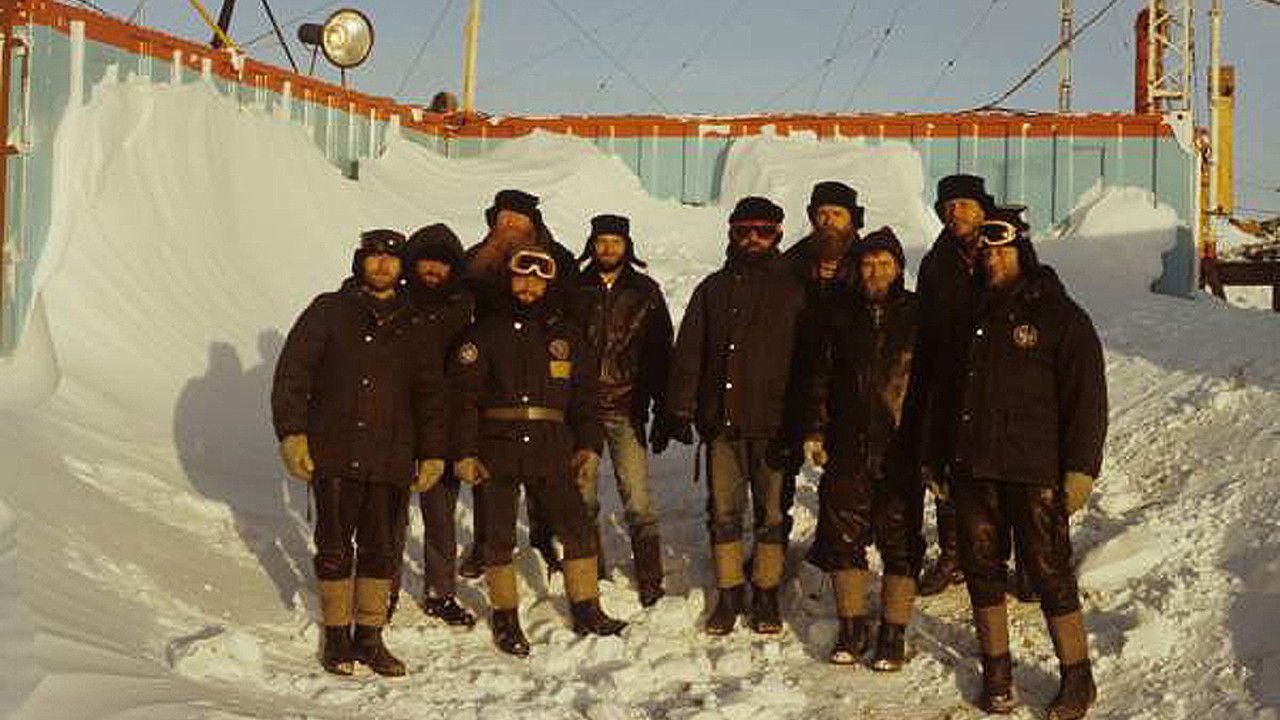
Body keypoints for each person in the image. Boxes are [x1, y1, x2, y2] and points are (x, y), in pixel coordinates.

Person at [272, 229, 447, 676]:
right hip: (334, 449)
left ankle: (369, 637)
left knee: (380, 550)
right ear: (360, 261)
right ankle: (336, 637)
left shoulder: (416, 323)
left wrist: (432, 453)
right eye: (374, 257)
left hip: (391, 455)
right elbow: (294, 374)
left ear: (401, 268)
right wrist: (292, 434)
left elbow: (431, 395)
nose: (383, 265)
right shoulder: (328, 311)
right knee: (333, 547)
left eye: (392, 259)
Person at [953, 209, 1106, 719]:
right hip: (975, 465)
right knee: (981, 569)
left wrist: (1081, 468)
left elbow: (1087, 399)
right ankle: (997, 672)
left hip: (1035, 468)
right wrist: (937, 456)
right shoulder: (971, 313)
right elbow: (943, 391)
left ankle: (1077, 677)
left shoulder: (1062, 317)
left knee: (1048, 572)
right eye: (986, 252)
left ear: (1023, 251)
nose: (992, 260)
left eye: (1002, 251)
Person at [450, 248, 628, 657]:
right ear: (508, 280)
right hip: (496, 448)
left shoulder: (566, 336)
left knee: (577, 529)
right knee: (498, 538)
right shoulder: (483, 334)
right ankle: (505, 617)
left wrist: (589, 445)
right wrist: (464, 452)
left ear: (549, 284)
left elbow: (585, 398)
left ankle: (587, 608)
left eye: (538, 278)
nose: (528, 285)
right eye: (521, 276)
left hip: (552, 448)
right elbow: (462, 400)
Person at [666, 196, 806, 636]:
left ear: (778, 234)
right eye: (744, 231)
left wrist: (805, 420)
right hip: (722, 422)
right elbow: (690, 351)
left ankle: (765, 592)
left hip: (774, 424)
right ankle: (729, 594)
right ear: (731, 233)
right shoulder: (713, 289)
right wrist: (680, 408)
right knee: (723, 512)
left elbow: (811, 363)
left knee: (771, 514)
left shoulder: (796, 290)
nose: (753, 239)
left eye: (762, 231)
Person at [803, 227, 924, 669]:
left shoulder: (919, 314)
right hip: (847, 443)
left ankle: (893, 631)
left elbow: (934, 384)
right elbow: (819, 375)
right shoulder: (840, 313)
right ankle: (852, 625)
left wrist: (930, 445)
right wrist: (816, 430)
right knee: (843, 536)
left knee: (901, 538)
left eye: (884, 263)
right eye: (869, 263)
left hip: (901, 446)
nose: (876, 271)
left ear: (899, 269)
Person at [460, 189, 576, 577]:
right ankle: (485, 544)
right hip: (492, 379)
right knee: (489, 478)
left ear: (532, 224)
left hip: (544, 375)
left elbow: (574, 315)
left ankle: (544, 538)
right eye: (502, 218)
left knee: (547, 471)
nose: (509, 225)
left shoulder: (558, 259)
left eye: (517, 219)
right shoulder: (477, 259)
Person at [568, 214, 675, 607]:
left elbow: (661, 354)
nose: (608, 249)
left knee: (638, 500)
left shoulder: (645, 291)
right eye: (601, 242)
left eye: (615, 242)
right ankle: (590, 569)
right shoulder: (574, 289)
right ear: (591, 245)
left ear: (627, 246)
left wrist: (664, 410)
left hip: (627, 408)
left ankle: (650, 577)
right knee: (583, 498)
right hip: (581, 410)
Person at [386, 223, 478, 628]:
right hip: (395, 421)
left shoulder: (464, 307)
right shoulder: (394, 302)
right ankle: (384, 588)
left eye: (443, 264)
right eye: (427, 261)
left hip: (444, 423)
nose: (433, 270)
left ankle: (441, 592)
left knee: (440, 515)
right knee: (390, 514)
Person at [778, 181, 867, 555]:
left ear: (852, 220)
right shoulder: (791, 263)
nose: (828, 221)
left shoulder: (869, 262)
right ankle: (772, 546)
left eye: (837, 214)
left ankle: (839, 545)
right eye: (822, 214)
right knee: (780, 472)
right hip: (795, 379)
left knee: (844, 472)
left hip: (849, 384)